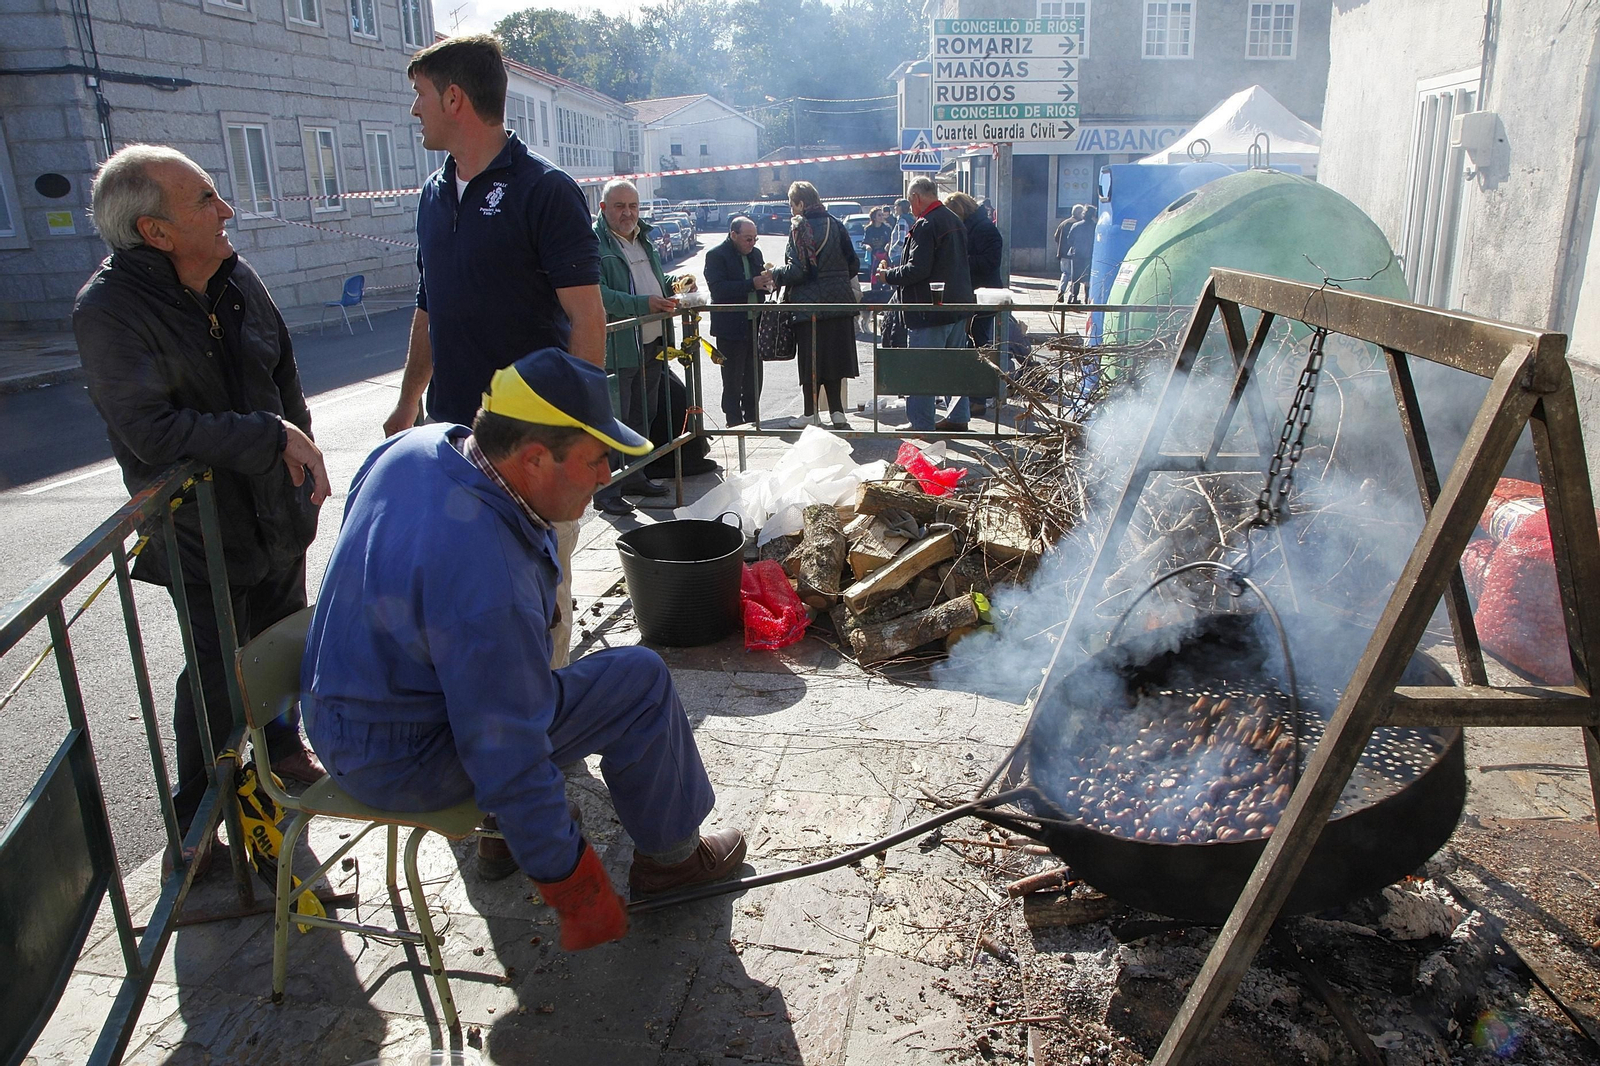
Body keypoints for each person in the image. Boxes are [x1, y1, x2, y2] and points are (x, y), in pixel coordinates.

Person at [302, 349, 747, 951]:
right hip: (404, 761)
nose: (605, 476)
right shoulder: (489, 584)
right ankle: (672, 864)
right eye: (595, 461)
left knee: (524, 683)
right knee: (639, 681)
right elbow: (505, 752)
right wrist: (573, 886)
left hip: (336, 716)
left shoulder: (417, 447)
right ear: (534, 456)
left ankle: (511, 832)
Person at [74, 145, 332, 874]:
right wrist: (268, 437)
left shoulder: (233, 273)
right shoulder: (108, 312)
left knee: (284, 641)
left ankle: (283, 748)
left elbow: (281, 371)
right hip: (201, 532)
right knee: (217, 671)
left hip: (277, 511)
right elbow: (149, 432)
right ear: (154, 232)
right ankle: (199, 824)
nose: (226, 211)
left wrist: (302, 450)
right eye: (205, 200)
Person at [593, 178, 685, 516]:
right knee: (615, 420)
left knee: (643, 415)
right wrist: (642, 304)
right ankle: (607, 490)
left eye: (632, 206)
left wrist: (670, 292)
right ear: (604, 209)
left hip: (652, 341)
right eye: (619, 206)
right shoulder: (593, 241)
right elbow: (596, 295)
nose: (628, 213)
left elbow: (653, 282)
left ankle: (635, 475)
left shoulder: (643, 236)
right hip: (618, 346)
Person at [875, 177, 974, 432]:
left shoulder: (926, 224)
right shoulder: (954, 220)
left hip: (929, 311)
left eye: (910, 201)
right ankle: (958, 417)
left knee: (921, 368)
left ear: (916, 197)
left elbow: (918, 269)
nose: (911, 207)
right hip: (957, 307)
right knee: (953, 366)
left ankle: (921, 424)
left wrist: (889, 276)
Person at [769, 181, 861, 429]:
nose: (791, 210)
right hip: (839, 303)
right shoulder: (836, 223)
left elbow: (799, 270)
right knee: (834, 360)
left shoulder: (799, 227)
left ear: (801, 203)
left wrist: (775, 272)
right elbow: (854, 263)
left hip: (808, 306)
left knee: (811, 362)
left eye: (791, 204)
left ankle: (810, 414)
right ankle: (837, 414)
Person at [703, 216, 773, 426]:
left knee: (754, 377)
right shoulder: (716, 255)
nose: (752, 244)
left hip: (755, 324)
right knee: (732, 378)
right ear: (733, 235)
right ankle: (733, 420)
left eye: (754, 239)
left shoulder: (755, 254)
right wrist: (751, 284)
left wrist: (768, 283)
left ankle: (752, 418)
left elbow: (759, 282)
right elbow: (719, 289)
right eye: (747, 239)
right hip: (730, 328)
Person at [946, 192, 1005, 418]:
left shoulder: (984, 228)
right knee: (973, 343)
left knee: (978, 344)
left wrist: (961, 262)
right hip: (973, 293)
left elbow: (991, 261)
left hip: (983, 295)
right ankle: (971, 398)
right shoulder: (973, 226)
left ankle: (978, 398)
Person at [1066, 205, 1098, 304]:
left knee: (1075, 277)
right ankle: (1087, 297)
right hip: (1089, 255)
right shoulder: (1095, 227)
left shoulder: (1076, 226)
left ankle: (1074, 297)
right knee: (1088, 277)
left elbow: (1069, 240)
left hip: (1077, 255)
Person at [1053, 205, 1084, 301]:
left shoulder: (1063, 223)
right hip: (1073, 254)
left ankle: (1061, 291)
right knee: (1074, 275)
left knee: (1065, 273)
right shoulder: (1077, 224)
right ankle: (1071, 296)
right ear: (1079, 213)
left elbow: (1056, 237)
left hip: (1062, 253)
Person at [862, 207, 892, 286]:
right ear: (874, 217)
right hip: (874, 258)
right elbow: (864, 243)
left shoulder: (887, 228)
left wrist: (888, 245)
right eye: (879, 215)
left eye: (882, 215)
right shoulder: (869, 229)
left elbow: (891, 241)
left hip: (885, 257)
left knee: (886, 279)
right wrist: (867, 246)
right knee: (875, 280)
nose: (882, 217)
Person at [887, 197, 914, 266]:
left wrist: (892, 250)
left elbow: (901, 241)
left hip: (898, 255)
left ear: (900, 207)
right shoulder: (910, 219)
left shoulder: (902, 221)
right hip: (905, 254)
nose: (894, 208)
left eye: (896, 206)